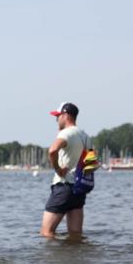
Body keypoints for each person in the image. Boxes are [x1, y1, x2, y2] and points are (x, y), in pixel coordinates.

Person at [40, 102, 92, 238]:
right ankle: (73, 253)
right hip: (79, 189)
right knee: (75, 235)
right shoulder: (85, 136)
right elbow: (91, 163)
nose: (56, 119)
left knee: (46, 232)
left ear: (66, 115)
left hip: (63, 187)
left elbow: (52, 150)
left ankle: (55, 253)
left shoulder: (66, 133)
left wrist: (58, 169)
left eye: (58, 116)